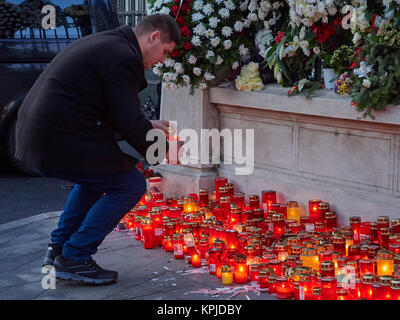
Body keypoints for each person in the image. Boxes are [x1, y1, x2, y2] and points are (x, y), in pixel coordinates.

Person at [14, 14, 182, 285]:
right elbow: (126, 119)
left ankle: (59, 247)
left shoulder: (112, 43)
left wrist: (146, 124)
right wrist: (163, 149)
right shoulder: (124, 57)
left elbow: (111, 107)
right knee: (130, 184)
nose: (162, 61)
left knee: (99, 178)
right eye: (164, 52)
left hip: (43, 131)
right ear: (153, 37)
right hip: (59, 135)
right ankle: (75, 256)